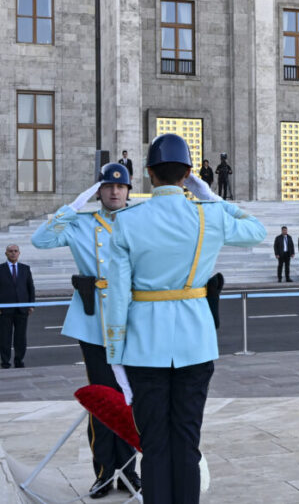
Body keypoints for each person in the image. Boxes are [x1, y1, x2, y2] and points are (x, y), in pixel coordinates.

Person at [104, 133, 265, 502]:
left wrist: (115, 353)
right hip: (195, 344)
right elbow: (256, 230)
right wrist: (208, 194)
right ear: (188, 174)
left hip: (145, 347)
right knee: (188, 442)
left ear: (148, 174)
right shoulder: (208, 216)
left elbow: (117, 295)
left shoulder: (128, 220)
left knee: (155, 444)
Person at [31, 163, 140, 498]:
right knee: (102, 397)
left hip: (133, 320)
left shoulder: (140, 222)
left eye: (120, 187)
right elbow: (41, 239)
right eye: (107, 186)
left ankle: (128, 471)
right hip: (95, 323)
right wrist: (74, 205)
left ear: (128, 190)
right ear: (98, 191)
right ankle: (105, 471)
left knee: (130, 398)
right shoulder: (80, 223)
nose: (114, 192)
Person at [0, 244, 34, 368]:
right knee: (4, 337)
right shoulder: (1, 269)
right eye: (10, 251)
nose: (13, 253)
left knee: (20, 338)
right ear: (6, 254)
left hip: (22, 309)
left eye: (15, 251)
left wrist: (31, 305)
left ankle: (19, 360)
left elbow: (30, 287)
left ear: (19, 253)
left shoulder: (25, 269)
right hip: (4, 310)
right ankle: (5, 361)